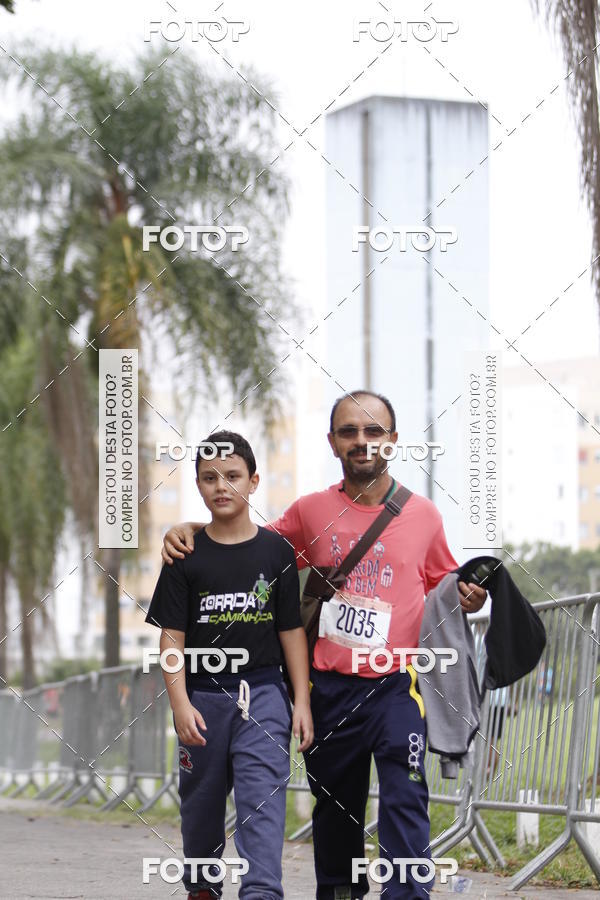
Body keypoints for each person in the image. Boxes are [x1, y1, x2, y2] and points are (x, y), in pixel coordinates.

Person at [161, 393, 487, 900]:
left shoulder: (424, 516)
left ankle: (406, 895)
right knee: (336, 809)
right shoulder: (311, 511)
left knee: (405, 790)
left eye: (373, 431)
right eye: (350, 431)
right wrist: (190, 530)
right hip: (329, 688)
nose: (362, 441)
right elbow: (245, 545)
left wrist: (470, 595)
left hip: (396, 687)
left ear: (393, 441)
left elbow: (448, 582)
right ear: (333, 442)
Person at [146, 430, 313, 900]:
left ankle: (262, 891)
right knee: (200, 809)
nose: (222, 486)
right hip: (202, 698)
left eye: (233, 476)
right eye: (210, 478)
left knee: (263, 803)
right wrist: (178, 701)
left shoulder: (276, 552)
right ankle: (202, 887)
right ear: (198, 486)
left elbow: (290, 632)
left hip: (263, 696)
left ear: (254, 481)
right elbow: (172, 637)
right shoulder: (185, 555)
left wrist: (300, 700)